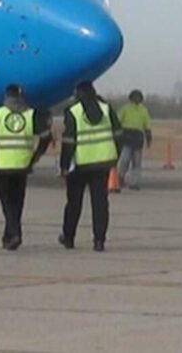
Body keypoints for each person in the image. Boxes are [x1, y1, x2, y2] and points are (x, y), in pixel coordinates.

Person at [0, 84, 51, 250]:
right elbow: (46, 137)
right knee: (17, 203)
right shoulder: (31, 115)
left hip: (2, 166)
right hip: (22, 165)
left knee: (7, 203)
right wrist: (36, 156)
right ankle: (10, 235)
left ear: (6, 96)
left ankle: (14, 233)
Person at [59, 81, 123, 252]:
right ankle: (99, 241)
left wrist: (64, 165)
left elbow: (68, 142)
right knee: (100, 203)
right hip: (102, 163)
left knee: (74, 203)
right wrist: (114, 155)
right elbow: (118, 134)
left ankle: (68, 237)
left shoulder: (73, 112)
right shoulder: (107, 109)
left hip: (79, 165)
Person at [116, 90, 152, 190]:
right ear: (131, 98)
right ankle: (120, 177)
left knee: (137, 162)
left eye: (138, 97)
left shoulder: (143, 110)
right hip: (126, 136)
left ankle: (134, 182)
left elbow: (147, 126)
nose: (137, 99)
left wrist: (149, 138)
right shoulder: (125, 109)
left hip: (138, 138)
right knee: (125, 160)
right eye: (135, 97)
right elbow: (118, 121)